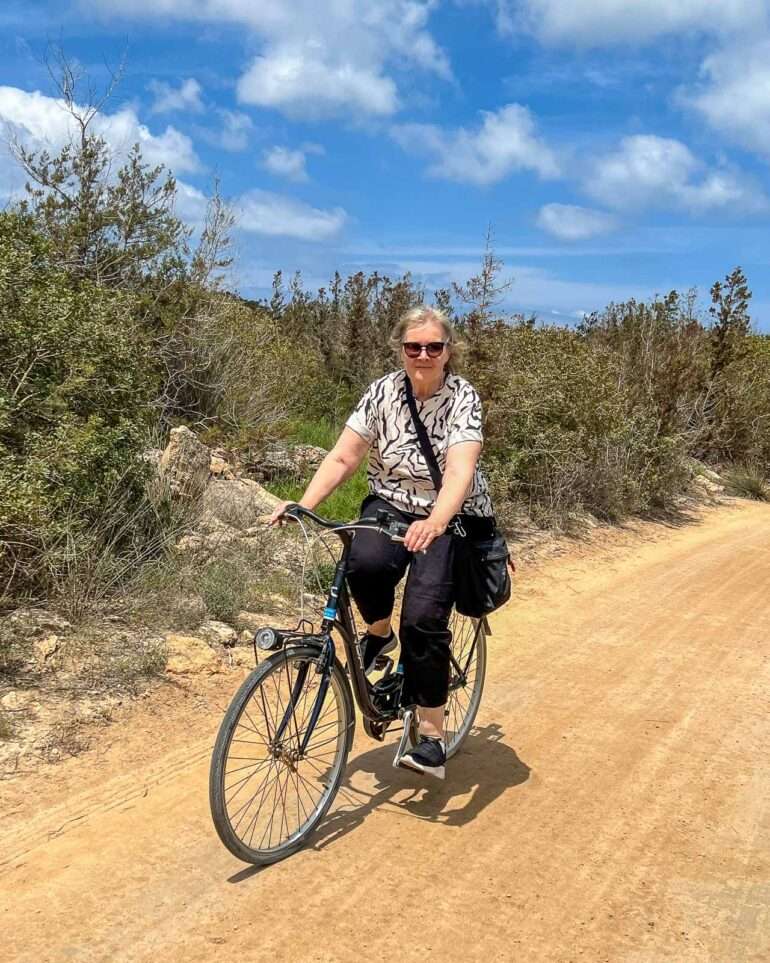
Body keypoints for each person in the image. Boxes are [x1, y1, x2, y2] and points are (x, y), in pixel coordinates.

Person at [269, 306, 496, 779]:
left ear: (448, 351)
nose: (424, 355)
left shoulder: (462, 398)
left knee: (423, 616)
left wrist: (435, 520)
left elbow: (460, 468)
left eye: (434, 347)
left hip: (447, 514)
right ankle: (378, 631)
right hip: (391, 503)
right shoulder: (383, 392)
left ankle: (431, 733)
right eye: (414, 347)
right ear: (401, 349)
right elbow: (344, 456)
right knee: (363, 562)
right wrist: (302, 504)